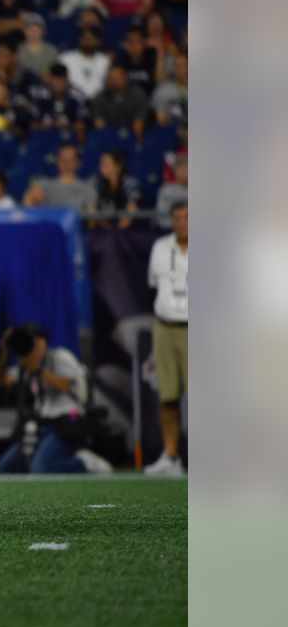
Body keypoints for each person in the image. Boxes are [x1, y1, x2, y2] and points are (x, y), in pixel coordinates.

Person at [0, 324, 112, 474]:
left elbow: (66, 384)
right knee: (5, 468)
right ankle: (61, 457)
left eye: (32, 342)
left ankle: (85, 463)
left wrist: (38, 370)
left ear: (42, 342)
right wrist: (4, 351)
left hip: (70, 419)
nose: (30, 348)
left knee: (41, 468)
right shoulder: (26, 365)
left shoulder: (60, 356)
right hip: (44, 423)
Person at [144, 201, 188, 475]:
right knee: (167, 395)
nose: (182, 222)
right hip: (164, 327)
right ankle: (171, 456)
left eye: (187, 217)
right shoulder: (160, 248)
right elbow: (152, 282)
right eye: (178, 218)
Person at [24, 143, 97, 213]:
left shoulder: (87, 188)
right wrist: (34, 200)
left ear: (77, 162)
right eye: (63, 159)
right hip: (51, 224)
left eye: (71, 159)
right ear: (57, 161)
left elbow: (91, 220)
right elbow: (27, 206)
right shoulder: (44, 185)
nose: (67, 163)